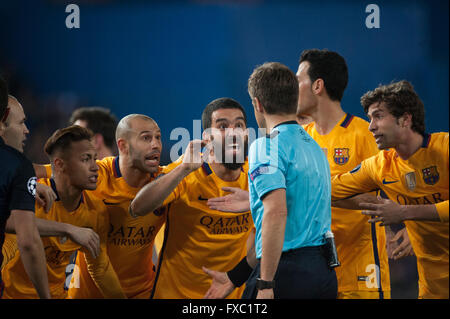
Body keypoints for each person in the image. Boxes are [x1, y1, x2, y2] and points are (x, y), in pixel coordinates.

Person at [331, 80, 448, 299]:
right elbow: (330, 190)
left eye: (378, 116)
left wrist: (404, 213)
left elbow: (406, 211)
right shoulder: (379, 165)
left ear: (405, 119)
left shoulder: (445, 148)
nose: (370, 126)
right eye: (369, 118)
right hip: (433, 290)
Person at [129, 97, 255, 299]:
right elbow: (137, 207)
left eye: (239, 125)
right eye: (222, 127)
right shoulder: (186, 172)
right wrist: (183, 169)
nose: (233, 133)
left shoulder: (257, 176)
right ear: (207, 137)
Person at [296, 49, 391, 298]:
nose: (293, 89)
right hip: (315, 275)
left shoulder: (365, 134)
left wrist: (312, 192)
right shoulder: (301, 139)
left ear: (318, 85)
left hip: (361, 275)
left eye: (298, 81)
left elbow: (380, 203)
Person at [241, 62, 337, 299]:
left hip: (286, 272)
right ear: (294, 100)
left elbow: (276, 212)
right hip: (322, 272)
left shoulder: (266, 145)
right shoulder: (316, 148)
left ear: (258, 104)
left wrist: (265, 284)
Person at [2, 125, 126, 299]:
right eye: (85, 159)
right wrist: (68, 228)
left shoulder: (96, 211)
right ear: (60, 165)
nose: (95, 167)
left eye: (95, 159)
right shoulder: (33, 195)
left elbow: (100, 268)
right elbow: (9, 223)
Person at [0, 82, 51, 298]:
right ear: (4, 119)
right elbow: (28, 241)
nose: (26, 130)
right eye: (21, 123)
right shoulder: (18, 167)